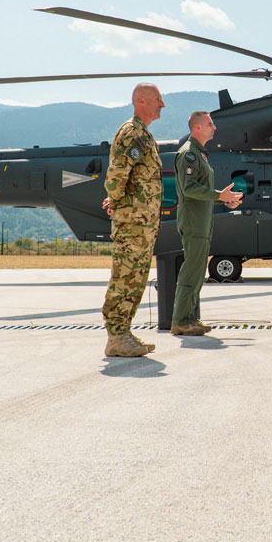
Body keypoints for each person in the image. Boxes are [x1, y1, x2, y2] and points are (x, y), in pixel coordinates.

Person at [100, 83, 165, 357]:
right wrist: (116, 202)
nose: (162, 104)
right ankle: (116, 335)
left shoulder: (145, 135)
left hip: (143, 224)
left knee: (137, 278)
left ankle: (123, 333)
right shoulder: (132, 133)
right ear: (141, 100)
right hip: (132, 223)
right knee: (125, 277)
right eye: (158, 99)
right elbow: (116, 175)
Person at [170, 111, 244, 336]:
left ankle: (191, 318)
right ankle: (180, 321)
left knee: (198, 270)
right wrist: (219, 196)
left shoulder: (200, 155)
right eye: (210, 124)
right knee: (191, 270)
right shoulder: (189, 155)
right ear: (197, 128)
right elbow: (189, 189)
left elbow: (203, 192)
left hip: (201, 220)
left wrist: (225, 199)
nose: (214, 128)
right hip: (193, 221)